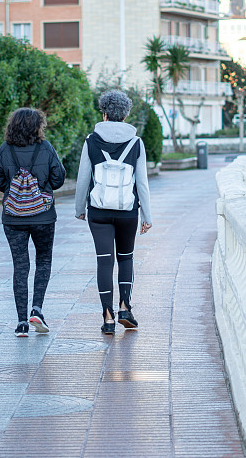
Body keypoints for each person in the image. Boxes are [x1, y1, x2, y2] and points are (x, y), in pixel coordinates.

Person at [75, 90, 152, 335]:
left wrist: (79, 209)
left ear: (104, 113)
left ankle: (108, 317)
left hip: (98, 211)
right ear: (126, 113)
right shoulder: (136, 143)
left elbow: (82, 179)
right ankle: (125, 308)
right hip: (128, 211)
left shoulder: (91, 140)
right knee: (126, 257)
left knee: (104, 261)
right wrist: (147, 216)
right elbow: (142, 183)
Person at [0, 108, 66, 337]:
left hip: (13, 217)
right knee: (43, 260)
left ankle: (21, 323)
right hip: (43, 216)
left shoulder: (5, 149)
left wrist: (14, 188)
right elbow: (58, 178)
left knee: (20, 266)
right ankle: (37, 309)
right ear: (38, 126)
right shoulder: (45, 148)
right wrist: (39, 186)